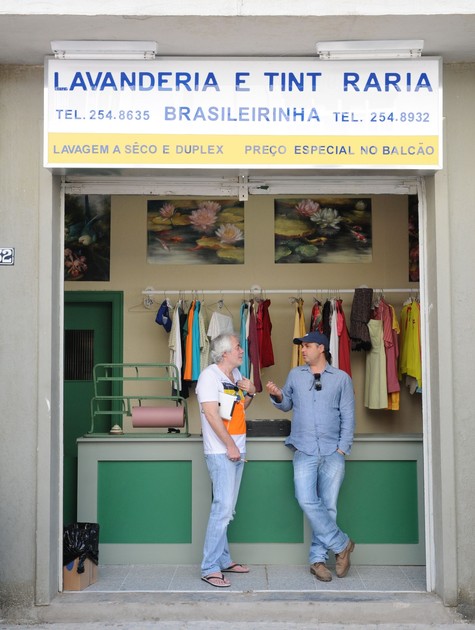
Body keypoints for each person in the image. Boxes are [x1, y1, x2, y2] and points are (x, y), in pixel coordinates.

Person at [266, 331, 355, 582]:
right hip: (304, 449)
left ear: (321, 348)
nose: (303, 350)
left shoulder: (341, 379)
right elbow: (286, 404)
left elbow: (348, 415)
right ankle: (342, 544)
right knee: (306, 499)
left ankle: (317, 560)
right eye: (302, 347)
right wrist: (277, 394)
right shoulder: (295, 374)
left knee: (328, 506)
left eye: (307, 346)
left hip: (332, 451)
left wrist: (342, 448)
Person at [196, 331, 256, 588]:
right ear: (224, 353)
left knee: (228, 510)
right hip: (221, 452)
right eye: (238, 347)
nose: (242, 351)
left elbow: (238, 410)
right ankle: (209, 567)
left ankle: (223, 560)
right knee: (222, 509)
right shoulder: (209, 377)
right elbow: (211, 415)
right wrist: (230, 445)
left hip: (236, 450)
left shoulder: (236, 377)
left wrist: (251, 392)